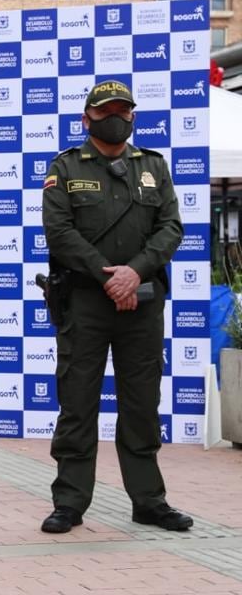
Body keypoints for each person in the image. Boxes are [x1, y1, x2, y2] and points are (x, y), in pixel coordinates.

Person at [40, 80, 192, 533]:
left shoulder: (153, 167)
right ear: (86, 119)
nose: (115, 117)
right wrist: (109, 274)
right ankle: (69, 503)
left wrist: (134, 273)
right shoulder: (65, 167)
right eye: (106, 110)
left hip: (141, 303)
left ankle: (149, 500)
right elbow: (59, 232)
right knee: (78, 403)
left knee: (142, 404)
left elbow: (171, 228)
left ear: (133, 117)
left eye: (123, 111)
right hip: (85, 301)